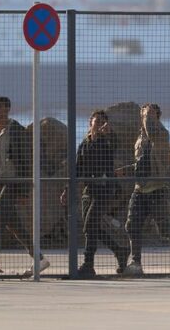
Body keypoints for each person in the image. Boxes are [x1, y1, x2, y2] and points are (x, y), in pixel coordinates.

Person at [0, 96, 49, 276]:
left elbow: (26, 162)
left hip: (13, 182)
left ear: (8, 109)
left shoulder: (17, 131)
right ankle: (40, 259)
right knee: (13, 224)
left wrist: (24, 190)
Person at [124, 103, 170, 276]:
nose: (145, 117)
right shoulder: (140, 138)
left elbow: (152, 133)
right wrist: (127, 169)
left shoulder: (162, 134)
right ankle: (136, 262)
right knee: (132, 225)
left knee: (163, 227)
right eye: (143, 114)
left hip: (157, 188)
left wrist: (148, 115)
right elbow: (143, 161)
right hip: (140, 188)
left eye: (150, 115)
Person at [60, 110, 129, 277]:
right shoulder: (84, 143)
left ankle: (88, 264)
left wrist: (108, 134)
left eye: (102, 122)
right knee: (91, 227)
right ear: (90, 122)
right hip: (89, 190)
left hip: (104, 189)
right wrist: (67, 189)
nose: (99, 125)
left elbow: (114, 146)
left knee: (90, 225)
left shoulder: (107, 141)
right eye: (96, 121)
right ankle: (119, 251)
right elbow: (77, 168)